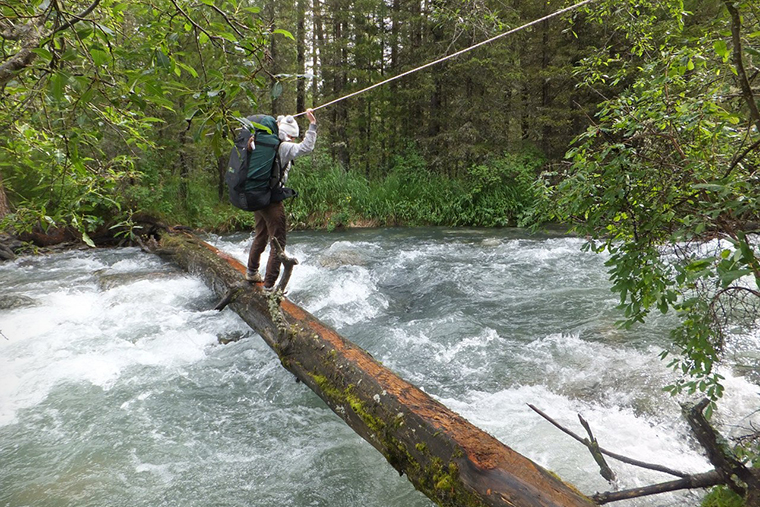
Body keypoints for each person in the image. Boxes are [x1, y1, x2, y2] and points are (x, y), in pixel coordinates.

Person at [246, 108, 317, 288]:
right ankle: (269, 286)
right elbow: (306, 147)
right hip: (270, 200)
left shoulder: (260, 143)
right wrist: (312, 125)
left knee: (261, 235)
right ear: (288, 135)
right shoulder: (283, 146)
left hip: (256, 195)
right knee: (278, 242)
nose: (293, 140)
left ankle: (252, 272)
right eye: (292, 137)